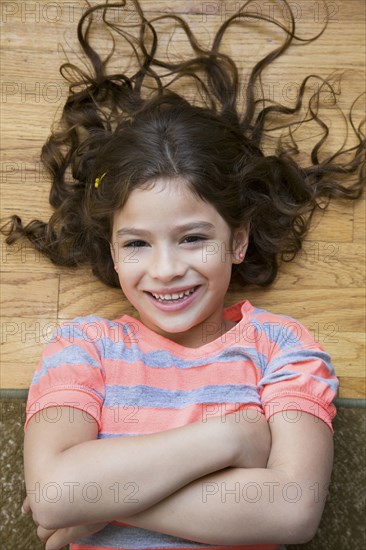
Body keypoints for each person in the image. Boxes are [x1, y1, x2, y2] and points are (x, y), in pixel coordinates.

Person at [3, 0, 364, 549]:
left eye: (194, 238)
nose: (167, 270)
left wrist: (98, 501)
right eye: (137, 244)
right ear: (113, 249)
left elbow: (292, 510)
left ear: (237, 240)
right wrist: (231, 437)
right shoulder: (84, 347)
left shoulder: (281, 348)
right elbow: (54, 493)